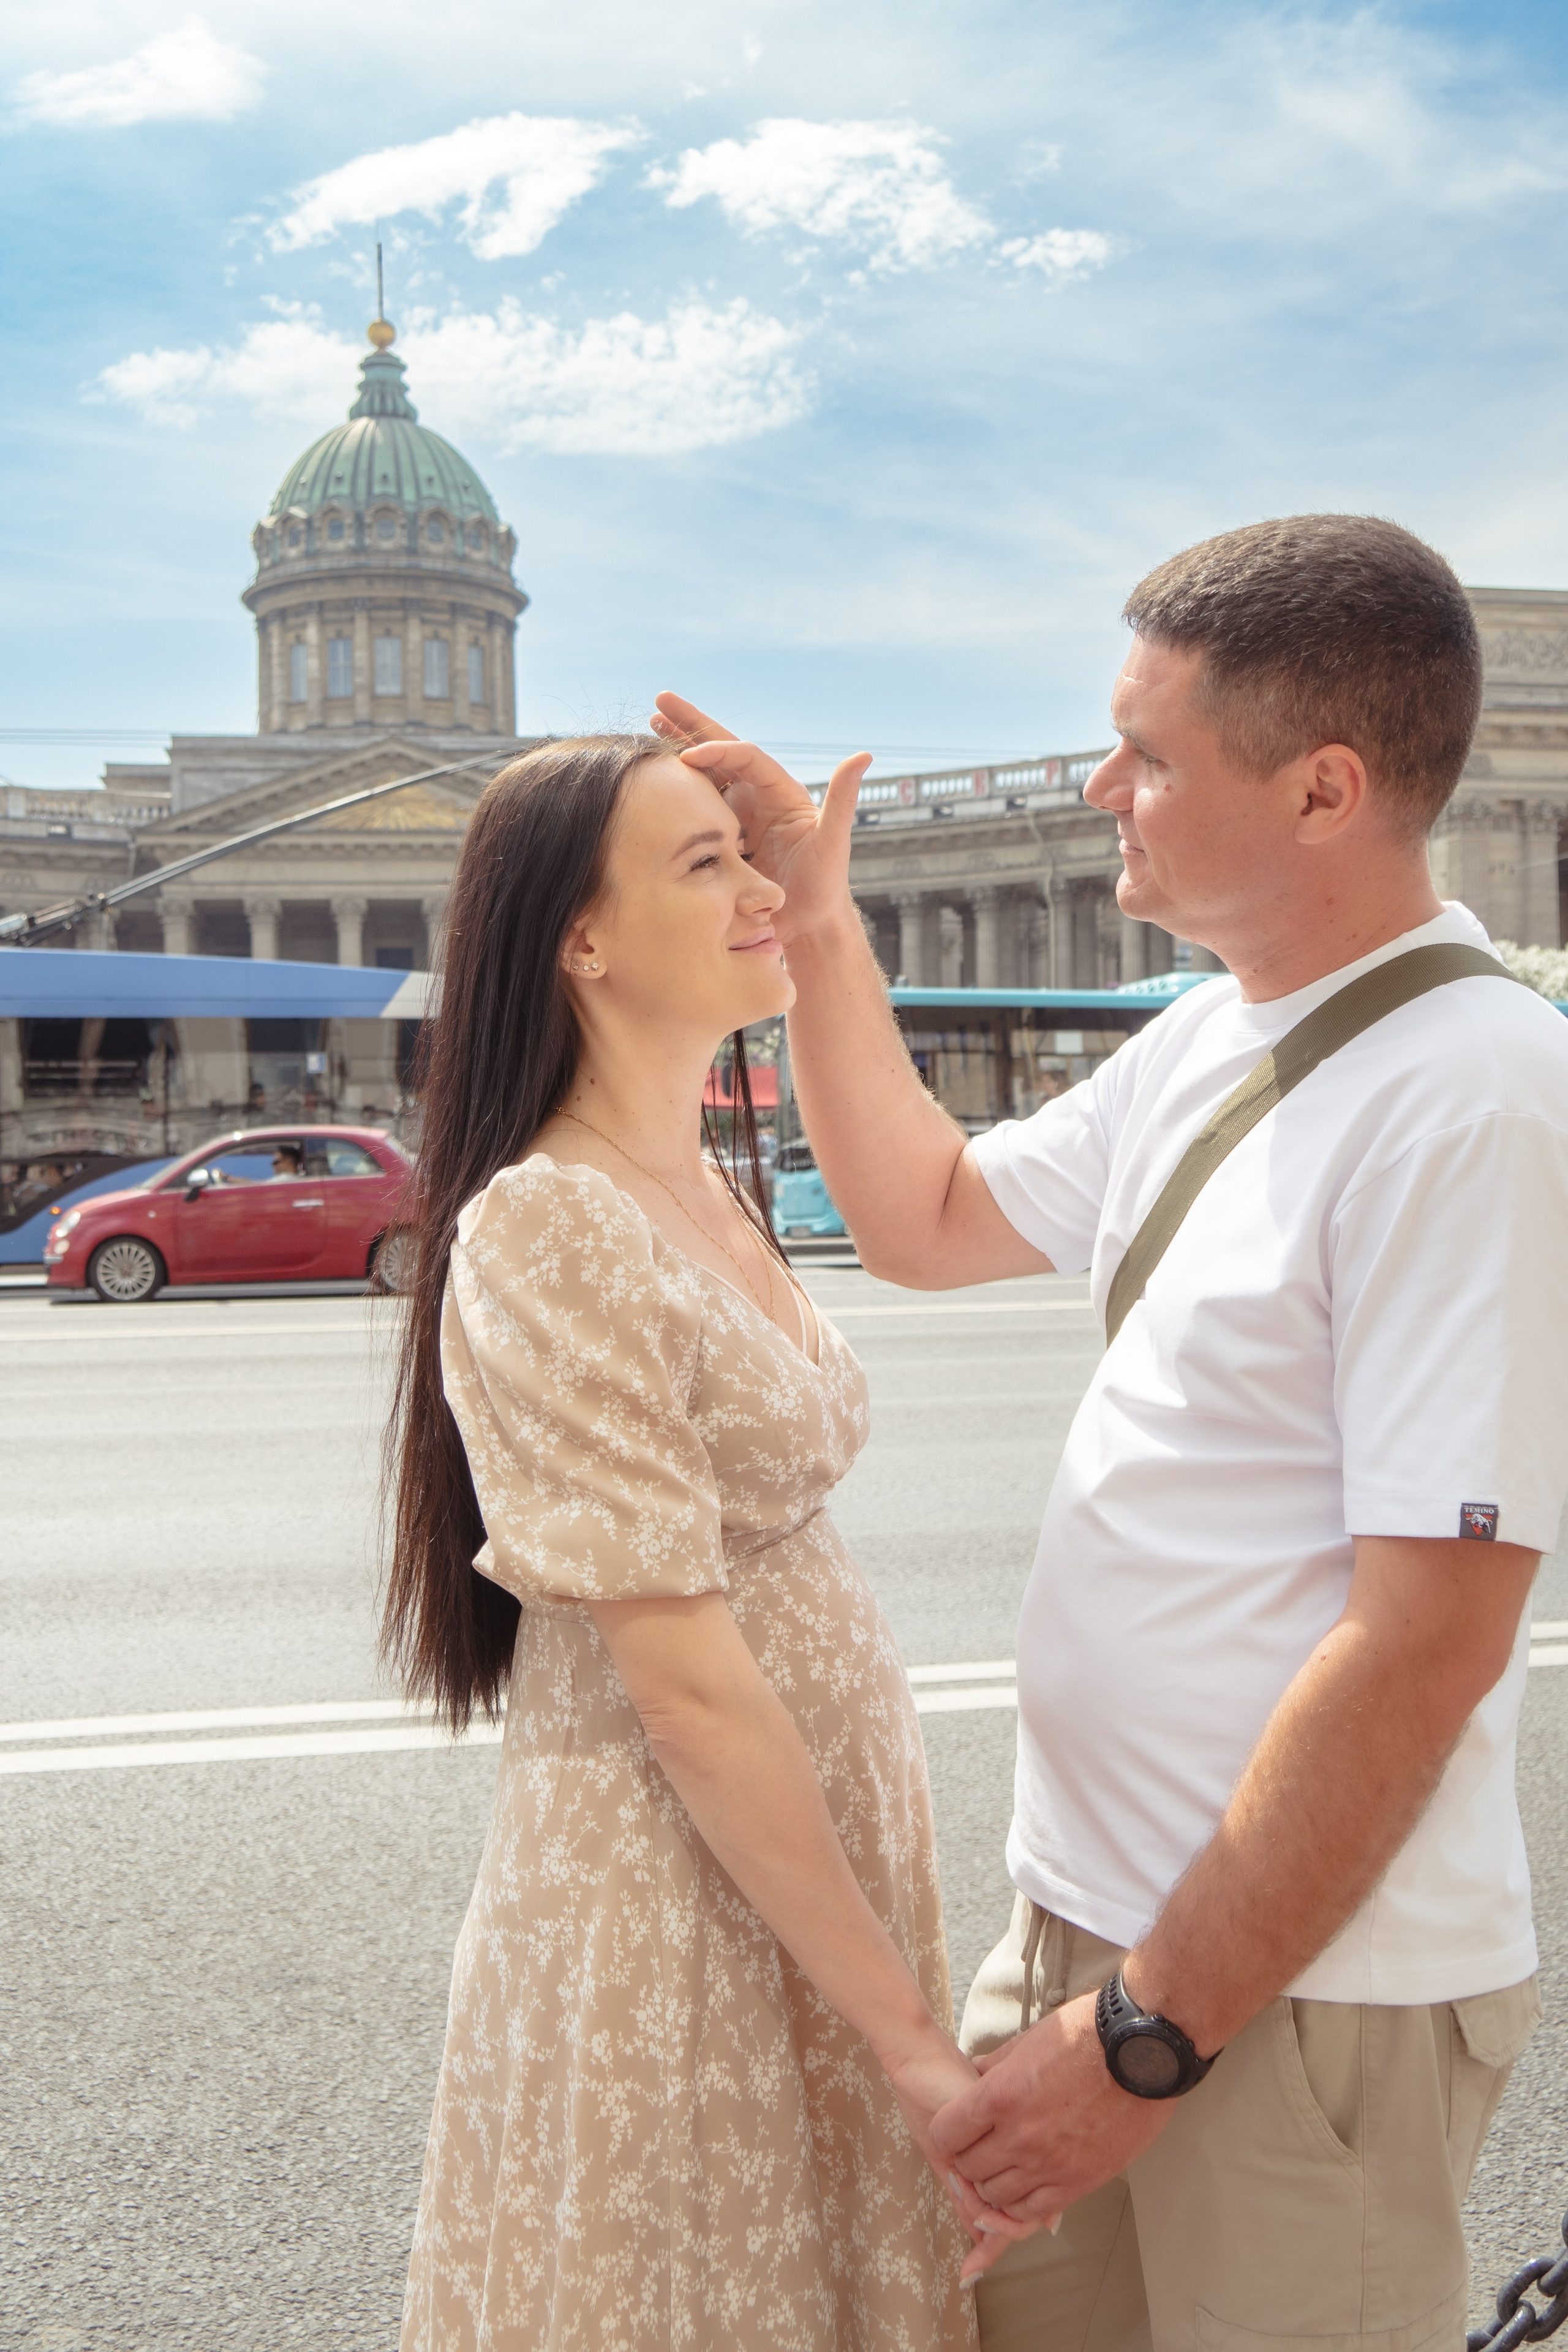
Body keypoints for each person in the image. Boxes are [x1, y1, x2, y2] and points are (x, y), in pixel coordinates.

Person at [651, 512, 1568, 2351]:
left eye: (1150, 754)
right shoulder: (1219, 1037)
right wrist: (820, 923)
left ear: (1322, 792)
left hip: (1292, 1998)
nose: (1100, 785)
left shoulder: (1475, 1097)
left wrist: (1149, 2037)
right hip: (1089, 1933)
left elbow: (1427, 1644)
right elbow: (920, 1219)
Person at [383, 734, 989, 2351]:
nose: (759, 889)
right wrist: (918, 2055)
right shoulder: (550, 1220)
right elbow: (691, 1694)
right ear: (578, 939)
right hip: (679, 1900)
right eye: (704, 862)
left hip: (786, 1878)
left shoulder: (702, 1180)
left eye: (748, 853)